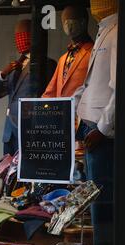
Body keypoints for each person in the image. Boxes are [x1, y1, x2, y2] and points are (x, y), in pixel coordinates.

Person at [73, 0, 117, 245]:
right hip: (89, 126)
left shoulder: (116, 32)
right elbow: (92, 83)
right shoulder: (105, 30)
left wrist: (102, 128)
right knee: (95, 199)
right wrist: (75, 104)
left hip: (102, 133)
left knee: (103, 203)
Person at [0, 19, 57, 156]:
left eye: (23, 35)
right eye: (17, 36)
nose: (20, 40)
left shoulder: (46, 64)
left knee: (26, 173)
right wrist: (3, 74)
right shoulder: (14, 67)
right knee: (10, 174)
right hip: (9, 133)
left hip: (29, 130)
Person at [42, 5, 94, 158]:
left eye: (71, 21)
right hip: (61, 128)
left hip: (84, 126)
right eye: (64, 22)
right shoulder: (63, 59)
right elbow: (50, 92)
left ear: (83, 22)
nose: (68, 26)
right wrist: (37, 112)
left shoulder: (94, 52)